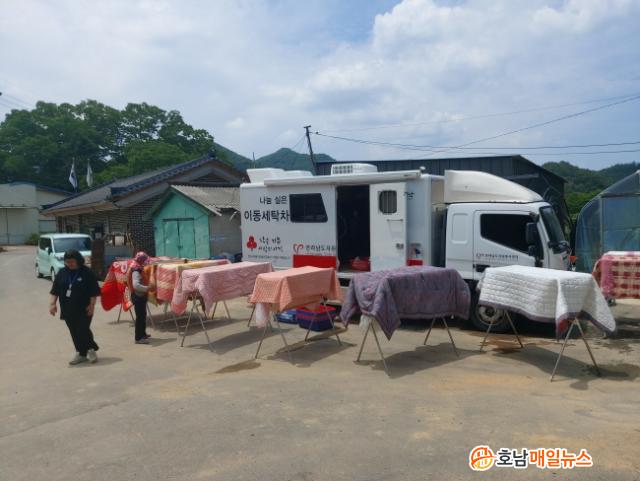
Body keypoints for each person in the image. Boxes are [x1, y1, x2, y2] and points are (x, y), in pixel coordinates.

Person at [49, 249, 101, 365]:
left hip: (84, 308)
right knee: (74, 331)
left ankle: (91, 350)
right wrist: (52, 304)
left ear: (78, 260)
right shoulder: (62, 272)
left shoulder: (87, 272)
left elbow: (93, 291)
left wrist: (92, 305)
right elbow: (55, 290)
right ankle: (81, 353)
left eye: (72, 261)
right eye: (67, 262)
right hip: (67, 308)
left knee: (83, 329)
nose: (70, 264)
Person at [127, 251, 155, 344]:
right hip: (138, 296)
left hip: (140, 295)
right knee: (140, 317)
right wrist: (148, 288)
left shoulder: (137, 266)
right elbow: (136, 285)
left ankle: (143, 334)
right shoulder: (136, 270)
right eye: (145, 261)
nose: (146, 263)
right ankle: (138, 338)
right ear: (141, 261)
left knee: (143, 315)